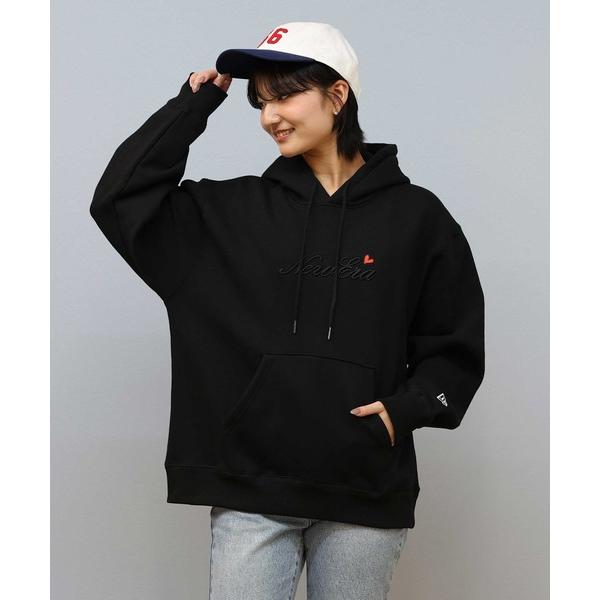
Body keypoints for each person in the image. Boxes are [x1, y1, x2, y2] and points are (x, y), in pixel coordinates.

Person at [90, 21, 485, 600]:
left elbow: (454, 345)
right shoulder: (228, 215)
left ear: (337, 94)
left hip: (364, 488)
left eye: (284, 96)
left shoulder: (417, 219)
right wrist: (194, 104)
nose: (268, 116)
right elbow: (120, 200)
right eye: (259, 102)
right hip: (252, 487)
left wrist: (406, 410)